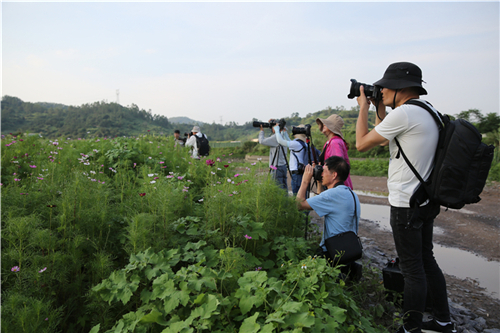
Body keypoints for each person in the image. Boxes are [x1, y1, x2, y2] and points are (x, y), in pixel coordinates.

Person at [355, 62, 454, 333]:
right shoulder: (427, 111)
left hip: (405, 203)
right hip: (424, 200)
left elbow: (362, 143)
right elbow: (387, 137)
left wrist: (363, 107)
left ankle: (410, 328)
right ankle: (444, 322)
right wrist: (379, 108)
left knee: (412, 270)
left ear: (400, 87)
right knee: (426, 260)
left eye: (385, 86)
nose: (381, 89)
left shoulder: (406, 113)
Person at [296, 156, 362, 280]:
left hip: (332, 253)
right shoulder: (351, 193)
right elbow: (325, 200)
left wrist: (305, 180)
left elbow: (299, 205)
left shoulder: (333, 195)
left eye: (324, 170)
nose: (321, 173)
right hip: (348, 250)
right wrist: (320, 182)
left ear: (334, 175)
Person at [316, 114, 354, 190]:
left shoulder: (335, 143)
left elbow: (338, 165)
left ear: (331, 128)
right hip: (332, 184)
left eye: (325, 124)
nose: (323, 125)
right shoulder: (329, 143)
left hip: (336, 186)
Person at [273, 124, 308, 195]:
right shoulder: (303, 143)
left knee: (297, 196)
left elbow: (281, 141)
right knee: (302, 195)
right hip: (300, 172)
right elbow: (289, 141)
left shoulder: (296, 144)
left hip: (296, 174)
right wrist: (284, 133)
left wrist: (277, 130)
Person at [258, 121, 288, 191]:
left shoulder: (275, 137)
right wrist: (275, 122)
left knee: (278, 189)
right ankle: (286, 202)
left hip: (276, 167)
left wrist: (262, 131)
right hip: (283, 166)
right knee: (284, 189)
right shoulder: (284, 135)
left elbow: (261, 141)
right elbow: (283, 127)